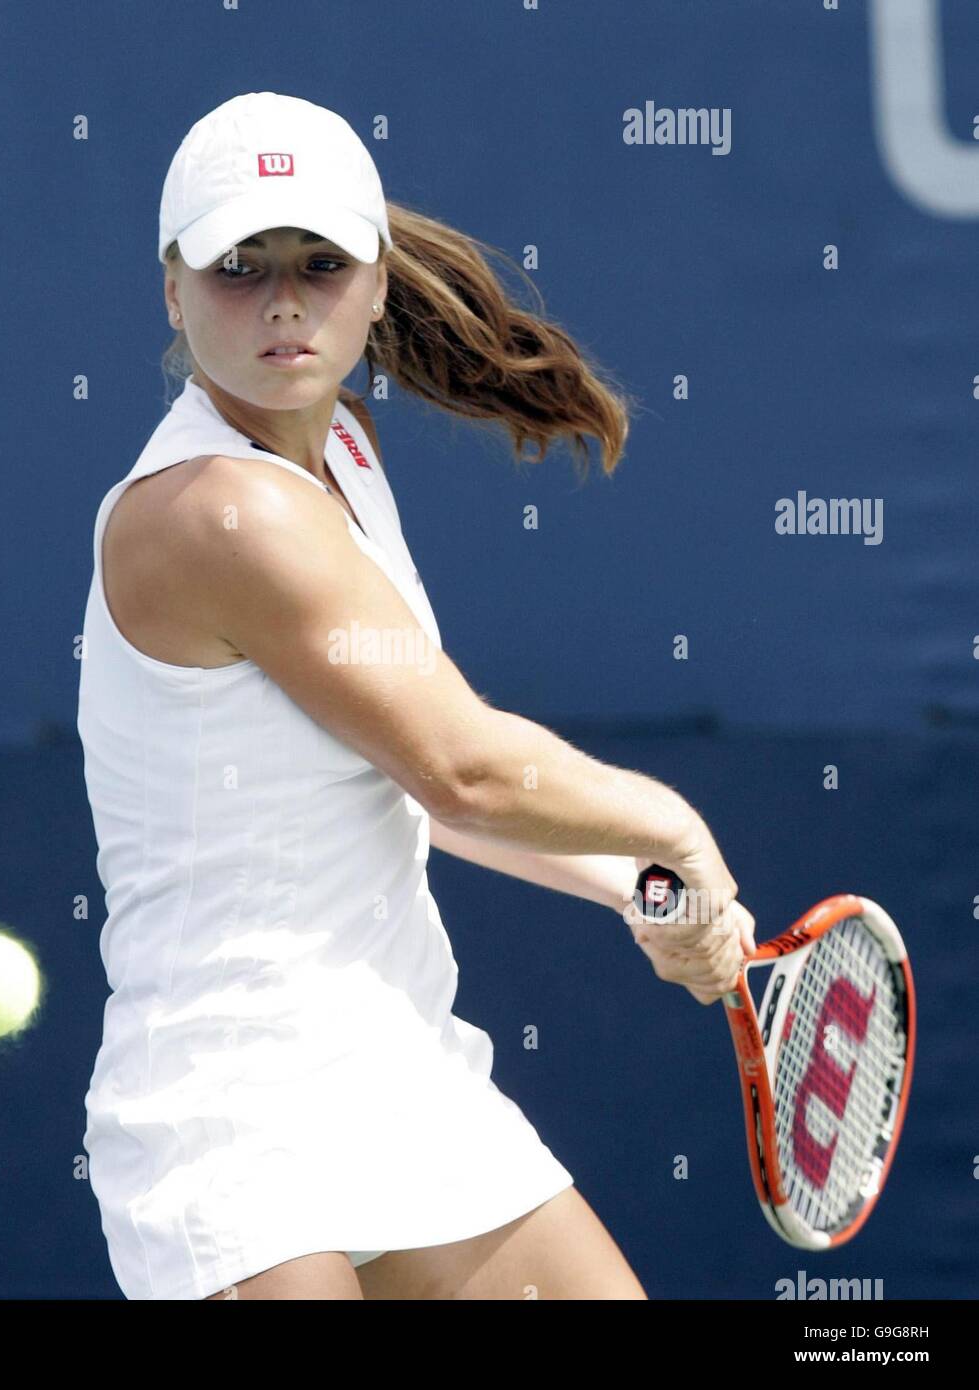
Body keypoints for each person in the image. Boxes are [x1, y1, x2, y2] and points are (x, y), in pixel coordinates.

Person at [76, 91, 755, 1301]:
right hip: (228, 1117)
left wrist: (632, 888)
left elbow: (417, 786)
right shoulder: (214, 514)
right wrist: (672, 831)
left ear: (377, 283)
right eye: (238, 266)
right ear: (170, 291)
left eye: (319, 262)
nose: (283, 299)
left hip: (399, 1073)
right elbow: (467, 769)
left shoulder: (342, 453)